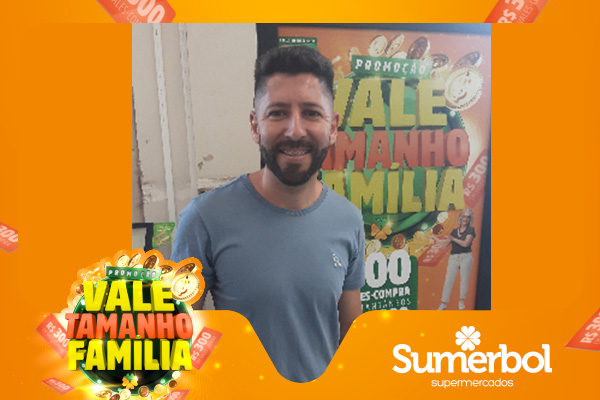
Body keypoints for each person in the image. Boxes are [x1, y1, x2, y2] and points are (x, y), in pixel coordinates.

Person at [171, 46, 365, 383]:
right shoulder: (204, 219)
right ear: (254, 124)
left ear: (333, 126)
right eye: (277, 113)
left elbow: (352, 340)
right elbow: (174, 347)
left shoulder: (348, 219)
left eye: (311, 113)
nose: (295, 131)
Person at [434, 209, 476, 310]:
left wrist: (453, 239)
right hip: (454, 257)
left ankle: (461, 301)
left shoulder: (471, 230)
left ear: (470, 219)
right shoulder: (453, 231)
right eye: (464, 216)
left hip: (466, 256)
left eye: (468, 217)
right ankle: (443, 303)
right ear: (460, 218)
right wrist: (435, 239)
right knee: (448, 280)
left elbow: (465, 243)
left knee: (464, 279)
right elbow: (445, 244)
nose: (465, 219)